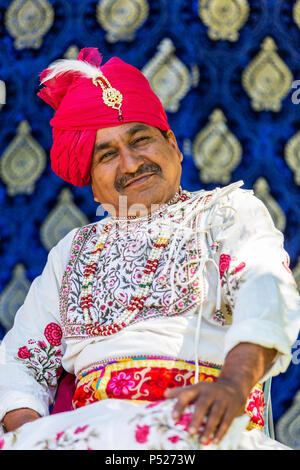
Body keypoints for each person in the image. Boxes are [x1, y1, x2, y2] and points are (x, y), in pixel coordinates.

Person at [0, 47, 299, 451]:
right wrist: (30, 437)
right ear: (89, 178)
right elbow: (21, 360)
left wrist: (231, 386)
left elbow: (266, 295)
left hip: (204, 428)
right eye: (107, 155)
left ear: (173, 145)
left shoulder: (226, 212)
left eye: (140, 140)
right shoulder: (72, 252)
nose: (129, 163)